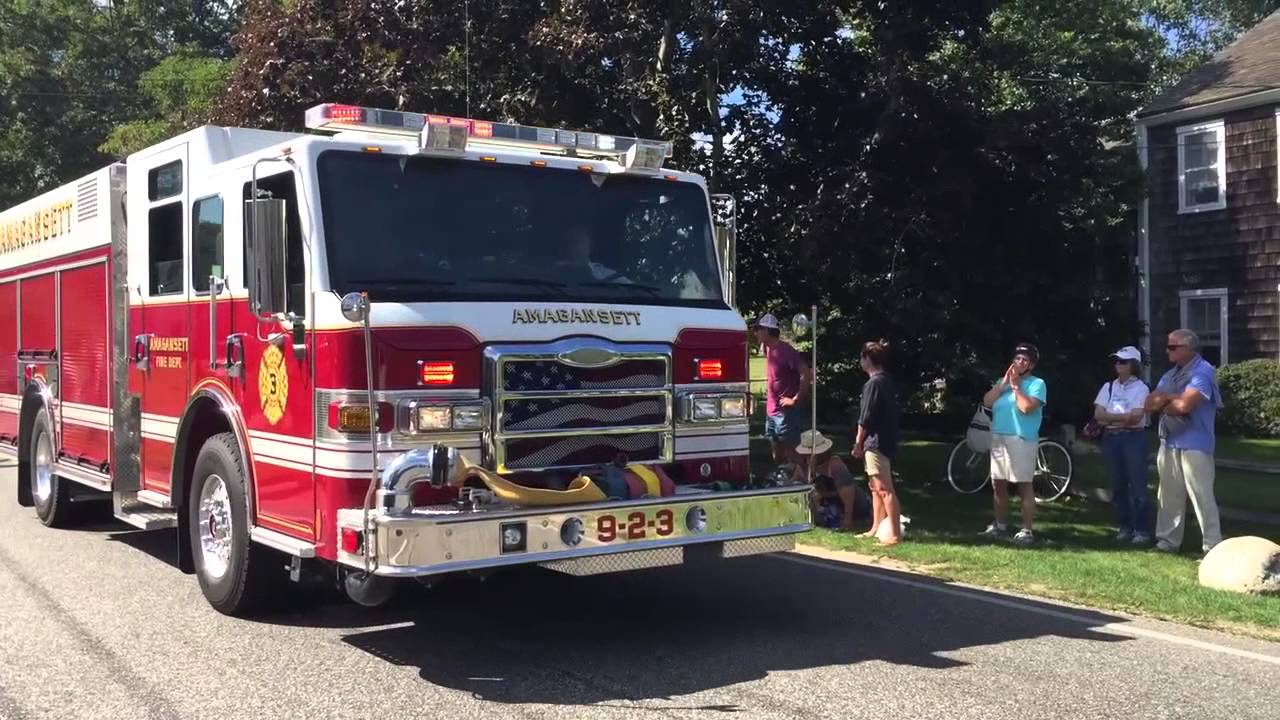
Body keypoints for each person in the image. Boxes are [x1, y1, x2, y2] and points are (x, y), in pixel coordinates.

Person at [1144, 329, 1223, 554]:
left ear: (1188, 348)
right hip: (1169, 441)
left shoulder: (1203, 372)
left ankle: (1213, 547)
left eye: (1172, 347)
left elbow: (1184, 406)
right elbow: (1149, 404)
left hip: (1196, 443)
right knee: (1168, 496)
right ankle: (1167, 542)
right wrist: (1171, 399)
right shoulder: (1170, 375)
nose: (1167, 350)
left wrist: (1167, 399)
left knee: (1202, 496)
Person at [979, 342, 1047, 546]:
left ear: (1031, 365)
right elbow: (988, 402)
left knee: (1023, 484)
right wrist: (1004, 383)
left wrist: (1016, 387)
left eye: (1024, 360)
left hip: (1022, 438)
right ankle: (1000, 526)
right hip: (999, 436)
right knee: (997, 482)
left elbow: (1026, 408)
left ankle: (1026, 530)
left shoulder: (1037, 384)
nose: (1019, 362)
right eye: (1017, 359)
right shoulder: (1003, 381)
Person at [1093, 346, 1153, 545]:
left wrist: (1111, 419)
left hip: (1133, 439)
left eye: (1123, 361)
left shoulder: (1141, 389)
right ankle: (1125, 527)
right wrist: (1121, 418)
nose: (1118, 364)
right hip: (1111, 439)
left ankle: (1142, 530)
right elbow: (1098, 415)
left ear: (1133, 365)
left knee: (1138, 486)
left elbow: (1136, 419)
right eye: (1117, 361)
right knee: (1118, 486)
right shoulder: (1109, 386)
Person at [851, 340, 902, 545]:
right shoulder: (886, 380)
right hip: (885, 439)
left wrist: (857, 442)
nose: (860, 361)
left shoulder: (873, 384)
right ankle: (875, 527)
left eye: (862, 357)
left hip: (875, 441)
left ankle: (895, 534)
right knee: (874, 486)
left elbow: (866, 417)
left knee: (884, 488)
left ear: (868, 359)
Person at [755, 313, 811, 465]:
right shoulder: (768, 350)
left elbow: (806, 373)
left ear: (767, 330)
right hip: (771, 411)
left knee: (793, 453)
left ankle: (801, 482)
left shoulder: (786, 351)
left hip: (786, 413)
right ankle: (782, 480)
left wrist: (795, 399)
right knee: (777, 455)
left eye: (758, 329)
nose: (756, 333)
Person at [792, 430, 869, 531]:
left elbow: (848, 493)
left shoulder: (835, 464)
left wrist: (847, 520)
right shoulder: (803, 466)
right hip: (824, 504)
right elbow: (794, 484)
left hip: (852, 504)